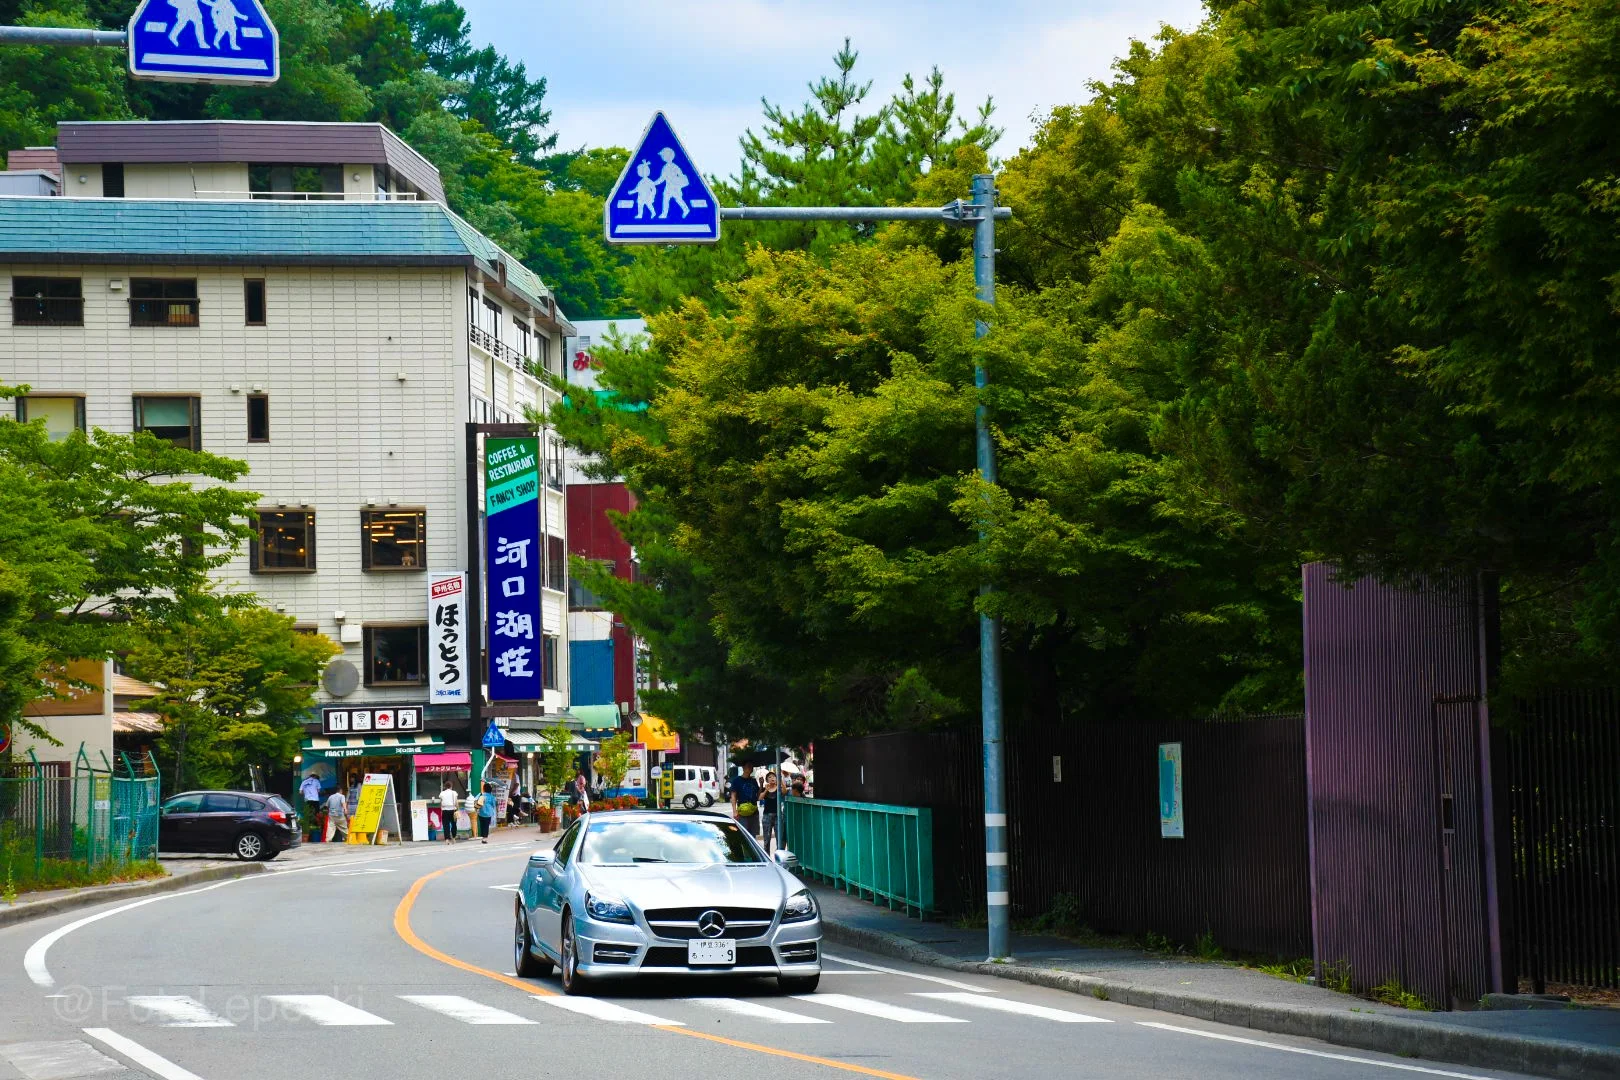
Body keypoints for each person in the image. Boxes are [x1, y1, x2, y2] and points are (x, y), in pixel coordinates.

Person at [730, 767, 760, 837]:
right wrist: (734, 811)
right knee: (744, 834)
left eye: (751, 766)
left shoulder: (753, 780)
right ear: (743, 768)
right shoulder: (736, 780)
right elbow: (733, 795)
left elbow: (758, 796)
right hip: (742, 812)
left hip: (754, 811)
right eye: (748, 766)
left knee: (753, 835)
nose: (750, 768)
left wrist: (761, 784)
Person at [758, 772, 782, 853]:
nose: (772, 778)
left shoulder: (779, 788)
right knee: (766, 839)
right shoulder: (766, 789)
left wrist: (781, 781)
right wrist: (766, 790)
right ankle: (767, 856)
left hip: (778, 816)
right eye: (770, 777)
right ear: (767, 780)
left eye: (774, 776)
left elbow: (784, 792)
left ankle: (779, 856)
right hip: (767, 816)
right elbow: (760, 798)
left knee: (779, 839)